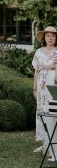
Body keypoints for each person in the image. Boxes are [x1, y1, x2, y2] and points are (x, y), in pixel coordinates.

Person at [32, 26, 57, 158]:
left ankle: (54, 145)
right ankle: (45, 143)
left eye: (53, 36)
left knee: (53, 113)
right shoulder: (39, 52)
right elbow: (36, 71)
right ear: (44, 38)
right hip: (41, 86)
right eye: (48, 36)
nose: (50, 38)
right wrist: (34, 88)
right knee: (42, 112)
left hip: (53, 85)